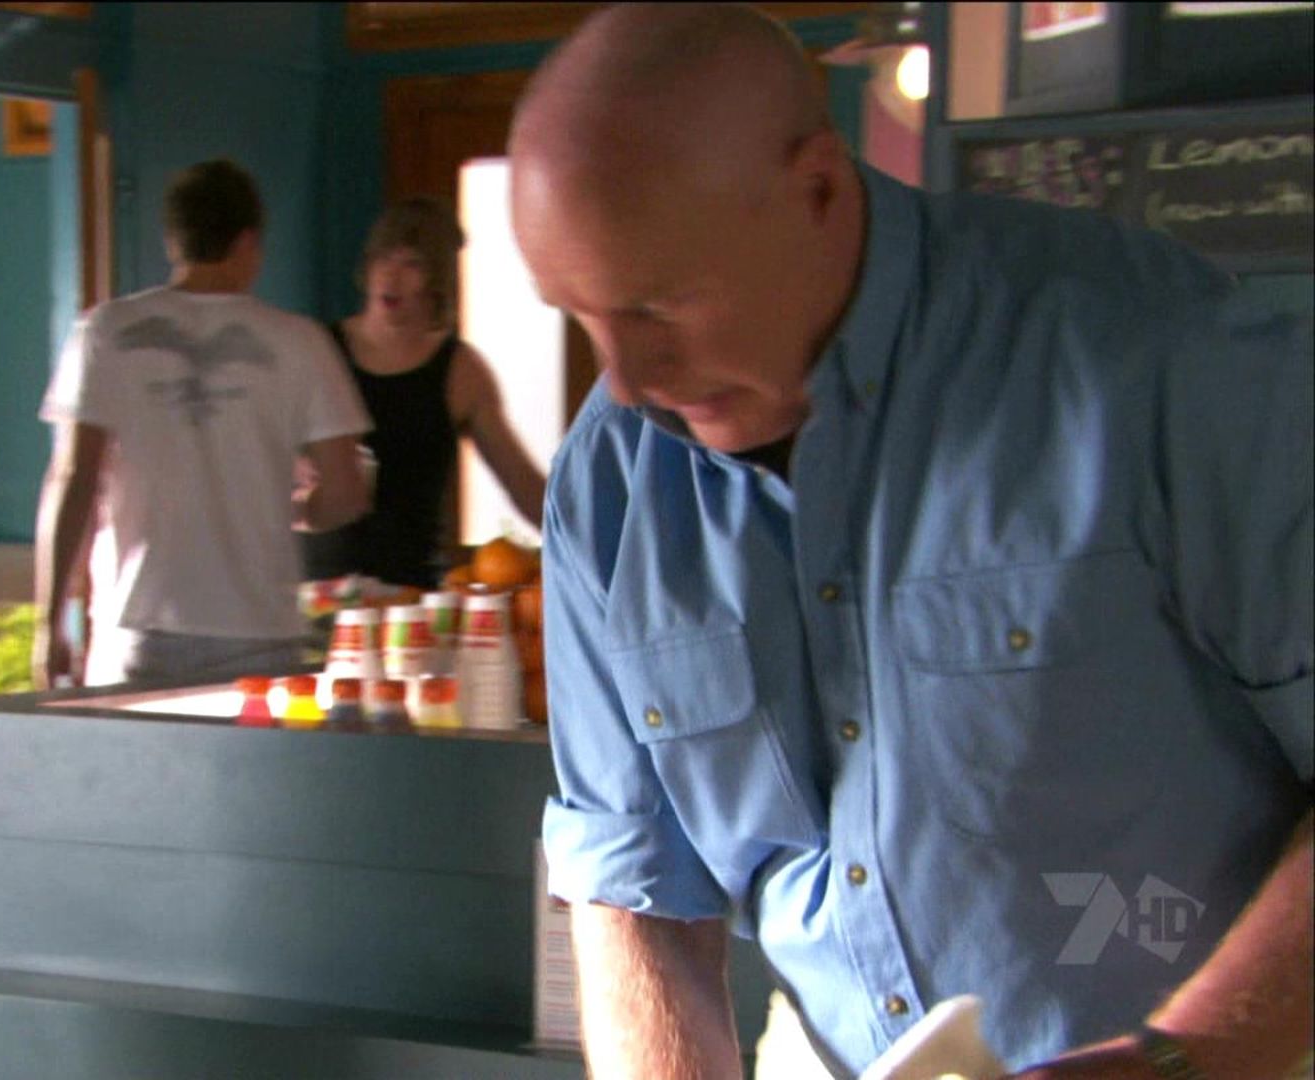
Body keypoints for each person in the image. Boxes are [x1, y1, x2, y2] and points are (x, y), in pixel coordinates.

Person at [510, 5, 1312, 1080]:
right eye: (582, 315)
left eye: (663, 303)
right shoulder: (611, 478)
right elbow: (633, 886)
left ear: (818, 189)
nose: (627, 380)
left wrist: (1190, 1058)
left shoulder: (1160, 361)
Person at [35, 159, 372, 688]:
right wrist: (293, 508)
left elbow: (73, 480)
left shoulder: (105, 331)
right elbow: (347, 494)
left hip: (139, 623)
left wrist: (49, 623)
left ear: (174, 241)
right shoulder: (300, 342)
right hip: (261, 629)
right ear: (248, 242)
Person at [300, 198, 546, 588]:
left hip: (412, 594)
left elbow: (523, 485)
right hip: (319, 589)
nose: (391, 275)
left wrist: (590, 545)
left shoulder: (461, 370)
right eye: (384, 259)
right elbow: (262, 450)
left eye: (411, 264)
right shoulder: (319, 350)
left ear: (436, 281)